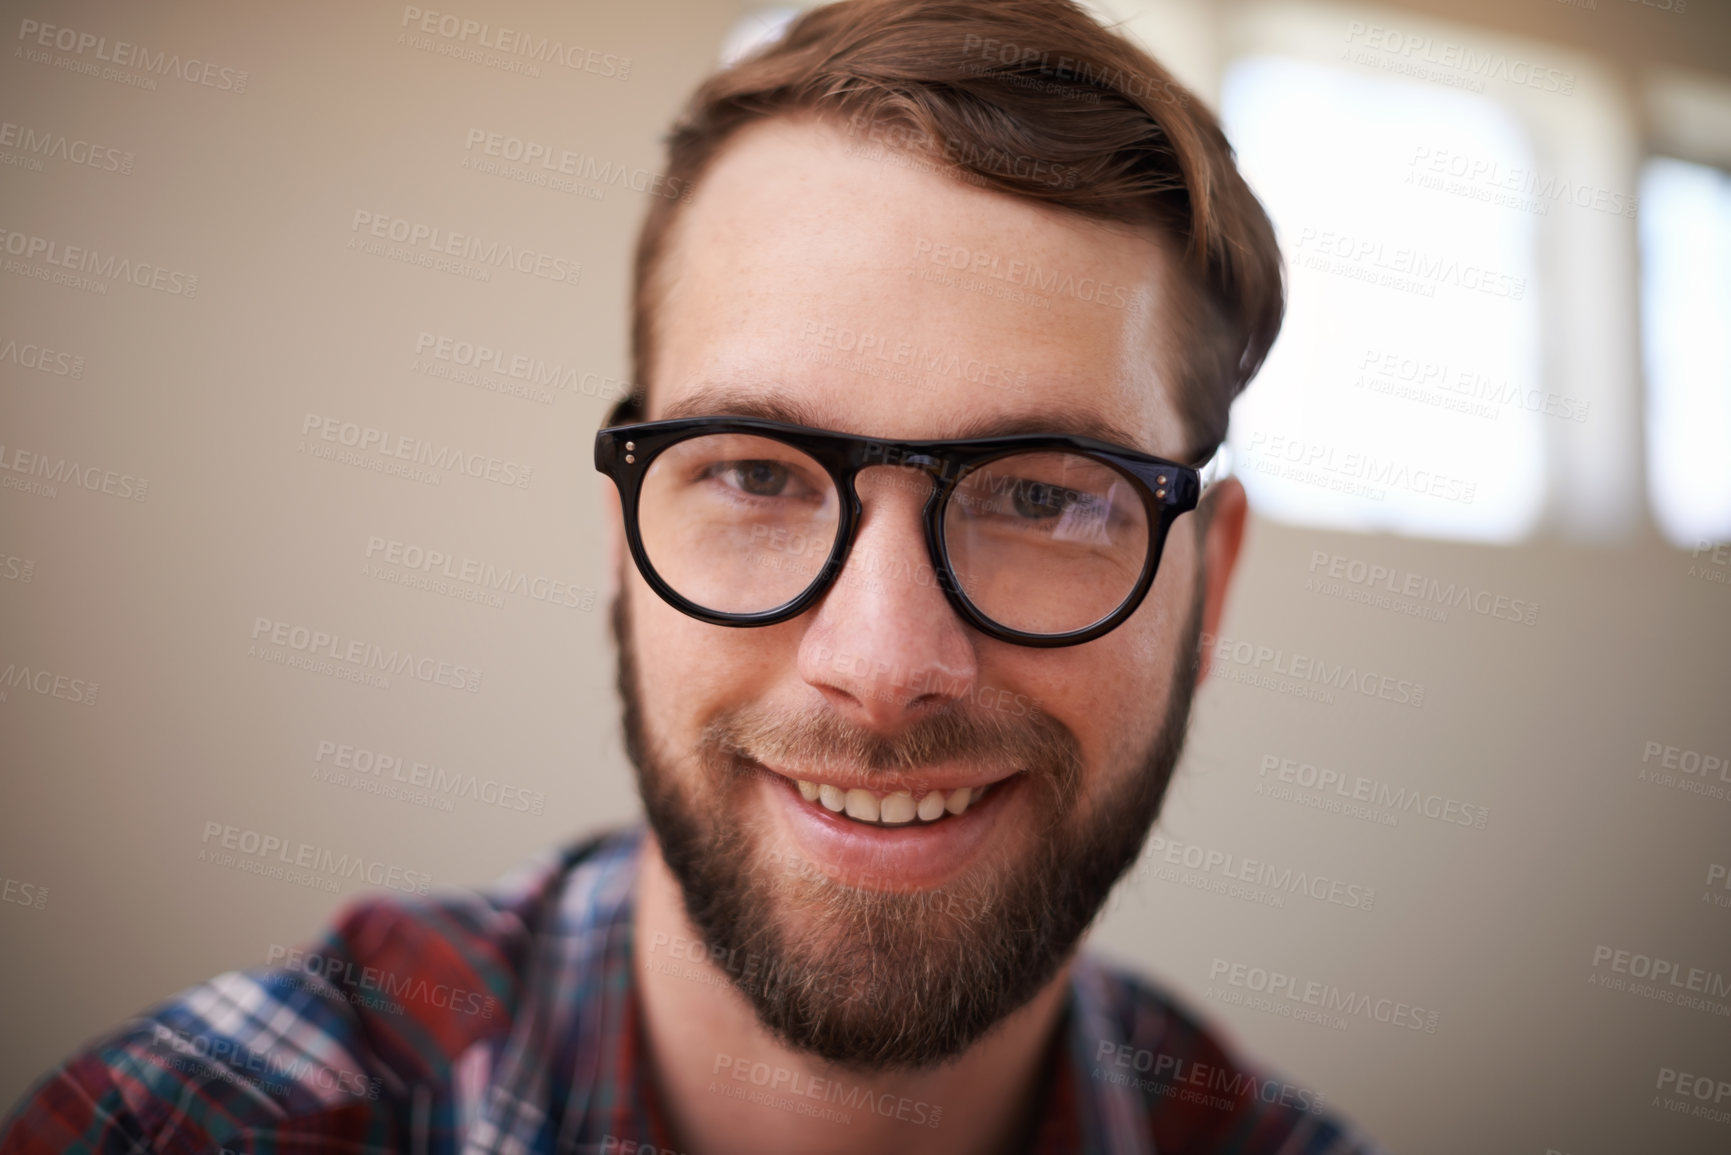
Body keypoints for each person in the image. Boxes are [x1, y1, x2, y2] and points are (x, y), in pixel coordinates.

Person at [1, 1, 1384, 1151]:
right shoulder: (194, 1123)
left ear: (1213, 581)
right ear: (623, 541)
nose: (885, 660)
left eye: (1041, 496)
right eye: (758, 476)